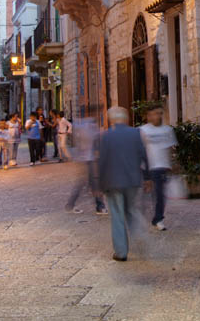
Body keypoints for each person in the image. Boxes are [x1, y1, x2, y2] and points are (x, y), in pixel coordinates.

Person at [97, 106, 149, 262]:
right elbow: (143, 156)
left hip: (113, 181)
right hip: (132, 180)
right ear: (125, 118)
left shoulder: (106, 136)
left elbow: (102, 161)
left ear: (111, 119)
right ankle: (140, 235)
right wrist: (147, 177)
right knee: (131, 209)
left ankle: (121, 252)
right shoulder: (135, 133)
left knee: (117, 216)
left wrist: (100, 184)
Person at [139, 106, 176, 231]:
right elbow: (139, 150)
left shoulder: (167, 130)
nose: (157, 116)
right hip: (147, 167)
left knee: (160, 194)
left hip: (161, 167)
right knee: (145, 194)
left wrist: (171, 165)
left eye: (159, 113)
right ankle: (141, 216)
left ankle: (158, 219)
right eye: (154, 114)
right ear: (148, 116)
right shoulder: (142, 130)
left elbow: (170, 149)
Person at [66, 112, 107, 215]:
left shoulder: (80, 125)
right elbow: (95, 141)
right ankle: (99, 206)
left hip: (84, 158)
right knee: (92, 183)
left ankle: (98, 206)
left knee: (87, 183)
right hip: (90, 158)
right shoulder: (90, 127)